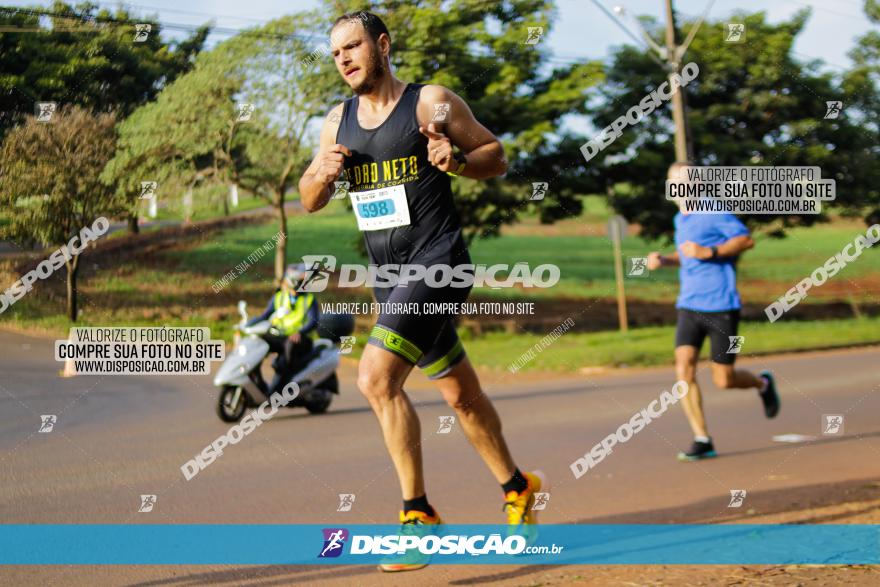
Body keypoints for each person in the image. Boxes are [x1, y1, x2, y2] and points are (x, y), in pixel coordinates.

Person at [298, 11, 542, 572]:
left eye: (354, 47)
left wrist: (456, 160)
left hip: (439, 263)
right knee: (459, 394)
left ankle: (418, 517)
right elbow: (309, 198)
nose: (345, 59)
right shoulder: (336, 122)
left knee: (374, 379)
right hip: (390, 278)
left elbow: (496, 156)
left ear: (382, 45)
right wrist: (323, 173)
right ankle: (517, 487)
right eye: (336, 53)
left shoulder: (430, 101)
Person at [647, 161, 780, 461]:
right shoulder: (681, 219)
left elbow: (746, 239)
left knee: (724, 379)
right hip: (688, 305)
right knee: (684, 369)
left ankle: (762, 383)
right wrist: (664, 260)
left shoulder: (713, 209)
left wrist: (713, 252)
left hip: (721, 306)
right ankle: (702, 438)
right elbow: (688, 256)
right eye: (673, 180)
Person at [247, 263, 319, 394]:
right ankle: (256, 380)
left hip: (300, 340)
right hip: (279, 336)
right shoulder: (279, 297)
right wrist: (247, 325)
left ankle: (283, 385)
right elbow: (265, 316)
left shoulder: (309, 300)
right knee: (258, 342)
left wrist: (300, 332)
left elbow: (313, 322)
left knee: (289, 346)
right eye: (302, 281)